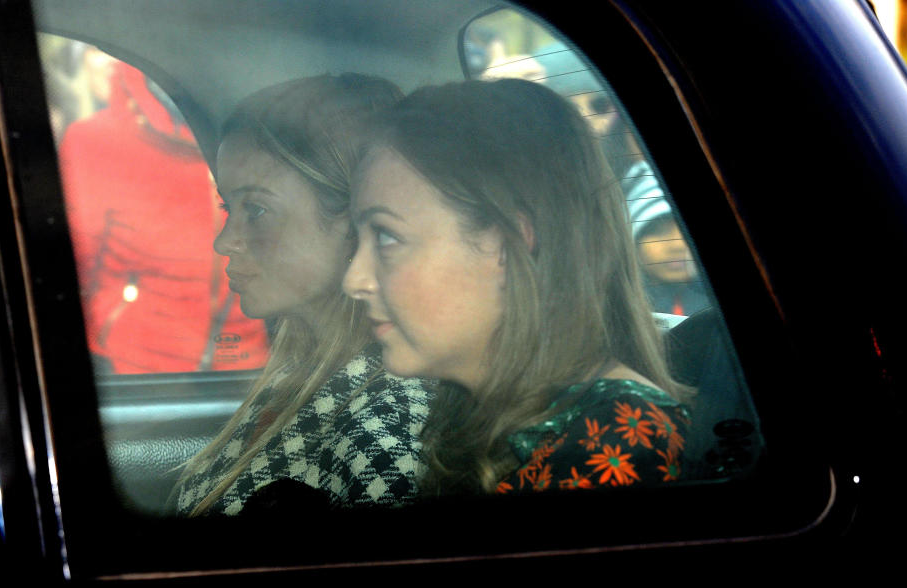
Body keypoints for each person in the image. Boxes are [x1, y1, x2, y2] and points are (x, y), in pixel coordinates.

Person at [343, 79, 690, 496]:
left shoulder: (620, 443)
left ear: (509, 244)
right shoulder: (483, 416)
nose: (354, 280)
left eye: (386, 237)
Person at [175, 75, 432, 516]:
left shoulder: (384, 431)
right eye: (227, 208)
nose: (224, 242)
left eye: (256, 210)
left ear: (354, 223)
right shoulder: (302, 372)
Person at [59, 60, 269, 373]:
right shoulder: (93, 140)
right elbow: (76, 270)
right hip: (139, 372)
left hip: (245, 364)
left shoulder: (258, 138)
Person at [624, 172, 708, 316]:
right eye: (657, 230)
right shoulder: (621, 311)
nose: (678, 245)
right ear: (632, 243)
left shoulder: (711, 303)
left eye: (686, 229)